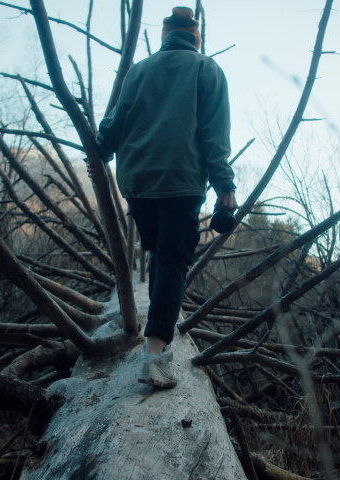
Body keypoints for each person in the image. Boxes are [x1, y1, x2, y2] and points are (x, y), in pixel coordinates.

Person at [93, 6, 238, 388]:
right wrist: (225, 186)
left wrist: (101, 148)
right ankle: (155, 358)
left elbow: (112, 123)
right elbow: (214, 136)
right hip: (181, 179)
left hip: (138, 181)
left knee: (161, 254)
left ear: (165, 37)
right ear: (195, 38)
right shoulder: (207, 69)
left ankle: (153, 336)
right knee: (174, 261)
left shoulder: (139, 70)